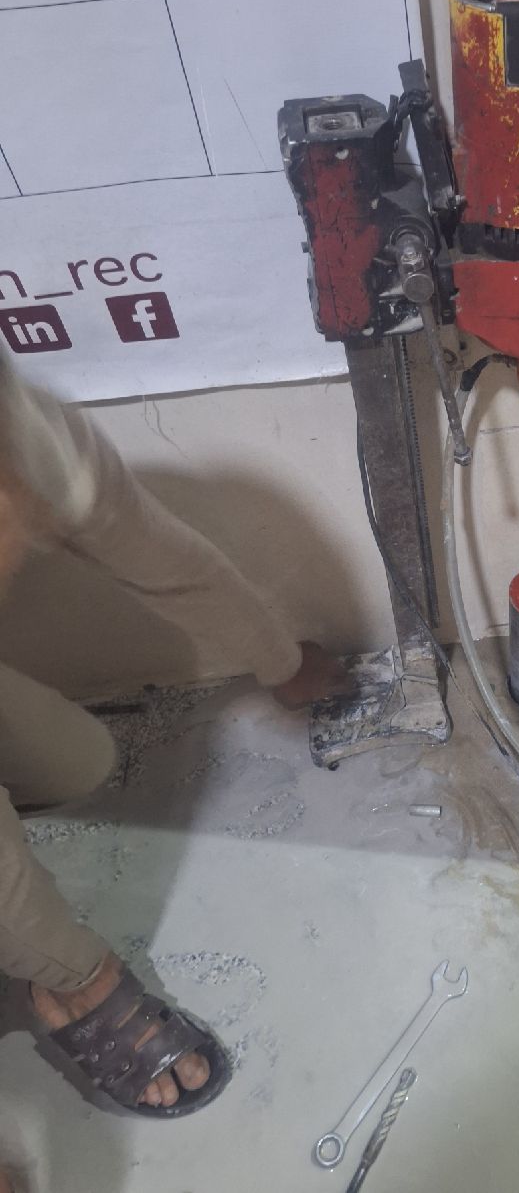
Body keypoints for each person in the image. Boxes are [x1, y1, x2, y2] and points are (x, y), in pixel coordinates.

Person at [0, 355, 341, 1158]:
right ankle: (71, 989)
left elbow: (172, 563)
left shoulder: (40, 446)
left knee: (78, 761)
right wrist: (73, 966)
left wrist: (281, 661)